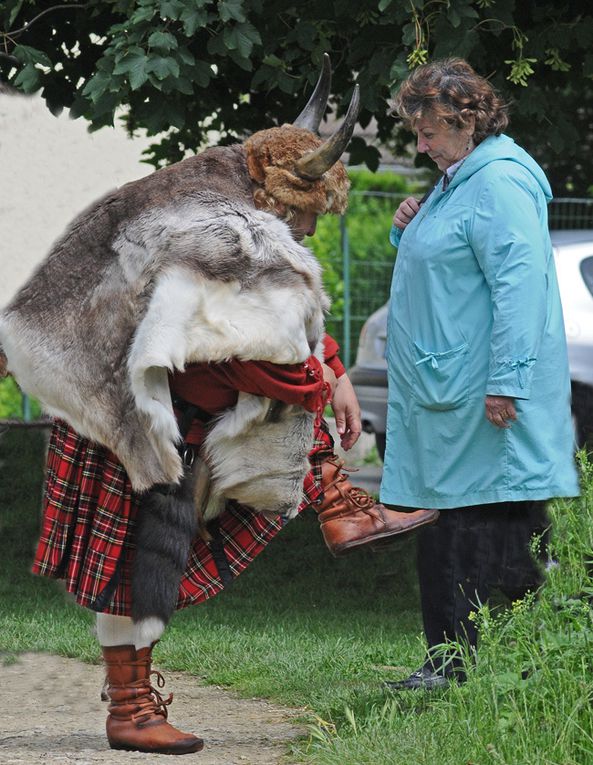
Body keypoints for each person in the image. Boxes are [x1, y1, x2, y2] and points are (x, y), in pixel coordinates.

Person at [0, 57, 437, 754]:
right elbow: (245, 348)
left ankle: (333, 501)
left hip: (166, 409)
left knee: (151, 560)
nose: (310, 231)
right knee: (130, 569)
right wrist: (314, 384)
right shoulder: (211, 229)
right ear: (280, 194)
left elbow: (272, 322)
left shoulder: (208, 195)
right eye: (306, 214)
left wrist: (329, 371)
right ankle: (132, 708)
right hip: (122, 414)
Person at [380, 58, 580, 690]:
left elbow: (520, 288)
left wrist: (508, 380)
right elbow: (444, 264)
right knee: (450, 521)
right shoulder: (457, 181)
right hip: (448, 391)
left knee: (491, 523)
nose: (421, 144)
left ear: (468, 122)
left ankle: (485, 665)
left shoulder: (499, 183)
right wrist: (405, 228)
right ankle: (451, 662)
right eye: (418, 131)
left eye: (430, 131)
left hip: (480, 391)